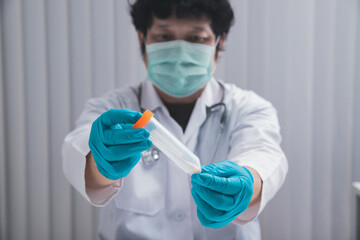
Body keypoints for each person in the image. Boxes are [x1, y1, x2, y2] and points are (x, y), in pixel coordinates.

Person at [62, 0, 288, 239]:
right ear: (142, 39)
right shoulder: (111, 108)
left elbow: (263, 154)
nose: (179, 52)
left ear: (219, 43)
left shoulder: (248, 108)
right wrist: (101, 162)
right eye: (164, 36)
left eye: (196, 38)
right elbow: (76, 153)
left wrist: (247, 184)